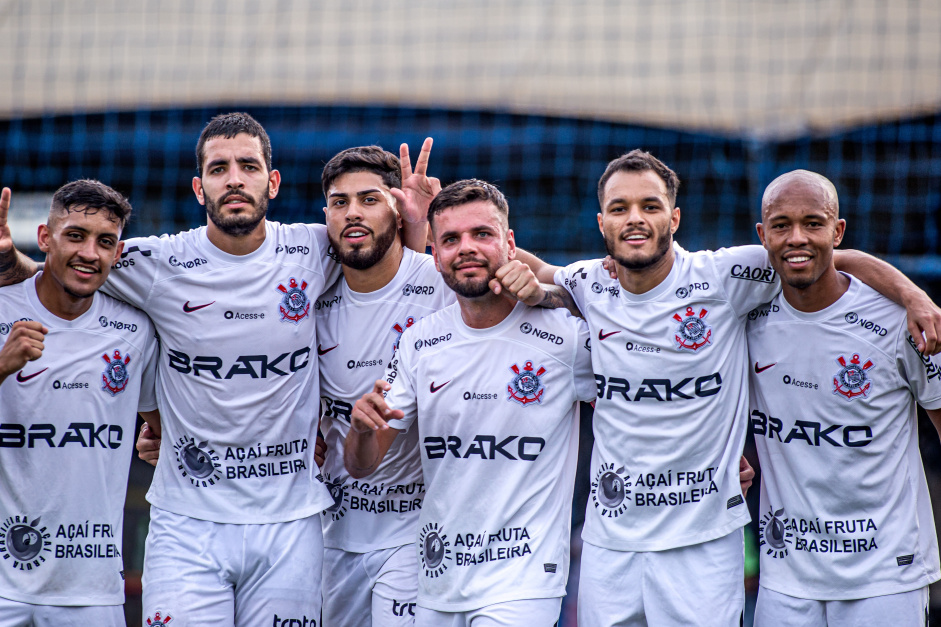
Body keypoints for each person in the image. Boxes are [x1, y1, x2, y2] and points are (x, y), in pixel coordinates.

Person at [0, 113, 430, 625]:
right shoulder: (158, 262)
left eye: (248, 166)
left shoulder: (317, 248)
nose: (234, 178)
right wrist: (8, 257)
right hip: (187, 525)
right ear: (198, 188)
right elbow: (71, 267)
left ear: (271, 182)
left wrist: (415, 224)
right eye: (219, 168)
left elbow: (394, 273)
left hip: (290, 525)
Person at [503, 149, 941, 626]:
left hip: (733, 548)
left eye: (649, 206)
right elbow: (528, 269)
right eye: (620, 208)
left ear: (674, 217)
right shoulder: (590, 282)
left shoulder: (727, 277)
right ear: (601, 223)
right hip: (626, 543)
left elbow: (823, 257)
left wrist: (912, 293)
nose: (635, 219)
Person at [347, 179, 597, 626]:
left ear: (510, 243)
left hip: (524, 579)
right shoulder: (420, 342)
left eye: (482, 234)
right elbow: (362, 465)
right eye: (450, 239)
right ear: (436, 257)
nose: (466, 248)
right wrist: (360, 429)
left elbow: (637, 394)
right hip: (439, 575)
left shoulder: (564, 335)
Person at [747, 170, 941, 626]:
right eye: (781, 225)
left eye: (813, 223)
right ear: (762, 235)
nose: (797, 237)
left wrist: (911, 294)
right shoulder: (746, 312)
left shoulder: (898, 323)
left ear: (838, 231)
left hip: (884, 577)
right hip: (785, 577)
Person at [0, 180, 158, 625]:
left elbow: (160, 425)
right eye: (75, 236)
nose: (89, 252)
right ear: (46, 238)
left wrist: (159, 440)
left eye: (104, 242)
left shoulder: (135, 330)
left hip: (90, 588)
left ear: (117, 252)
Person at [316, 145, 452, 626]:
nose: (352, 212)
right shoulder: (309, 294)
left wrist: (429, 224)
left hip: (417, 532)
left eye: (370, 199)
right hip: (332, 533)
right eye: (339, 202)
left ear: (398, 208)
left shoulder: (444, 279)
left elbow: (510, 267)